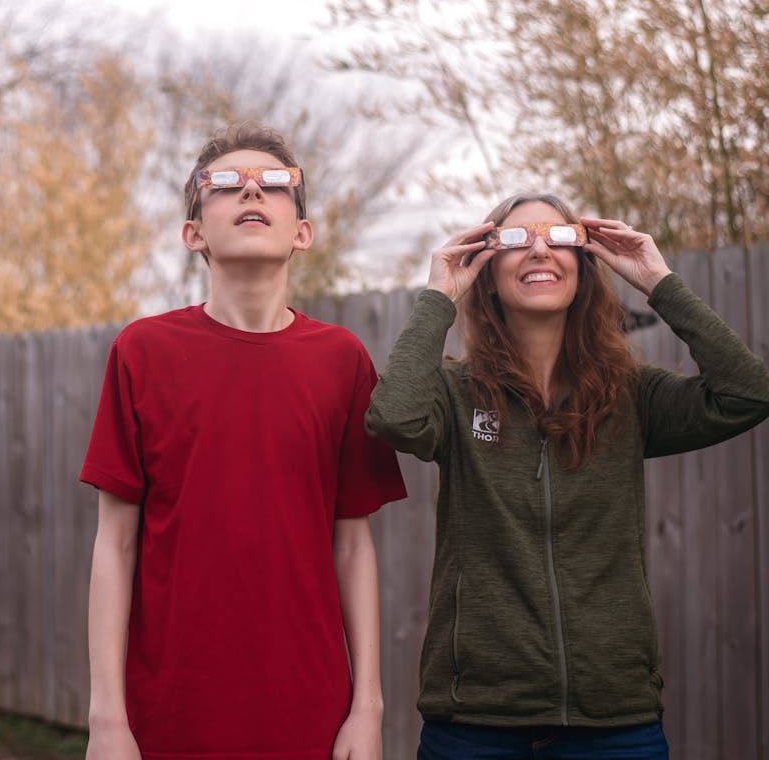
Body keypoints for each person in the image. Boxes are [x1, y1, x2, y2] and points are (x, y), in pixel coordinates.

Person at [365, 192, 769, 759]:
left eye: (557, 238)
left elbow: (747, 394)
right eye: (513, 240)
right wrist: (439, 294)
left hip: (615, 725)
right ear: (487, 270)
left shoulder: (632, 395)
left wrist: (658, 280)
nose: (537, 250)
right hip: (475, 723)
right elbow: (394, 416)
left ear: (583, 265)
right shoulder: (455, 397)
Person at [80, 121, 407, 760]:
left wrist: (367, 709)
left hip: (312, 714)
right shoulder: (142, 352)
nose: (252, 191)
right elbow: (114, 544)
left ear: (302, 232)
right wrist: (106, 721)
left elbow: (353, 544)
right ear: (194, 232)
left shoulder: (342, 360)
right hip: (167, 715)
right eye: (226, 183)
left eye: (277, 184)